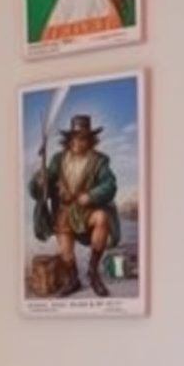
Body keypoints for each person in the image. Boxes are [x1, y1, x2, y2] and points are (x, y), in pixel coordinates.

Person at [29, 113, 120, 299]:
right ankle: (73, 280)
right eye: (74, 139)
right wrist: (40, 180)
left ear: (90, 140)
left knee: (102, 218)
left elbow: (110, 185)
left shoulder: (99, 161)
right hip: (64, 212)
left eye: (82, 139)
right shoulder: (58, 159)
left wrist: (91, 195)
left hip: (88, 210)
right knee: (66, 251)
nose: (77, 143)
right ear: (68, 140)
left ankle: (93, 272)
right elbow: (42, 189)